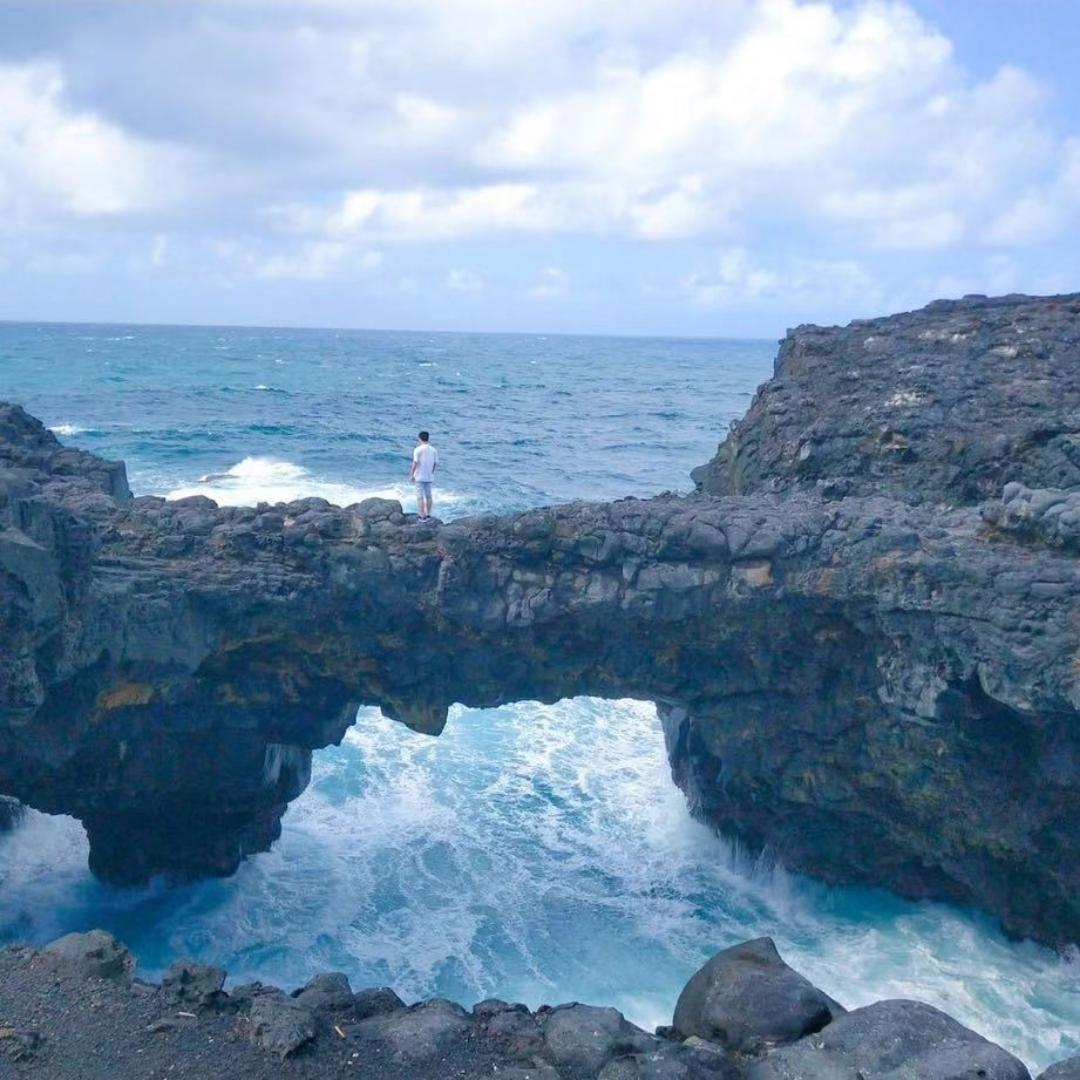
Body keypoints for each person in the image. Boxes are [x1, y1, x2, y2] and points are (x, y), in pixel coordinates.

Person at [410, 430, 439, 520]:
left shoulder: (417, 449)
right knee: (428, 495)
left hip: (419, 475)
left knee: (420, 496)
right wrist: (431, 473)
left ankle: (422, 515)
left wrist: (411, 474)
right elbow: (435, 463)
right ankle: (428, 514)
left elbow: (415, 463)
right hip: (429, 476)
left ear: (419, 439)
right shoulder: (434, 450)